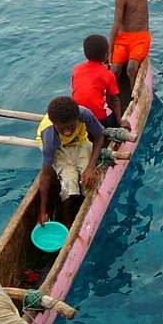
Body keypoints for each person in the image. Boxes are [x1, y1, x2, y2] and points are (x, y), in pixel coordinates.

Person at [35, 95, 105, 226]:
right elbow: (45, 174)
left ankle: (85, 207)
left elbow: (99, 136)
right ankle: (67, 222)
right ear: (53, 122)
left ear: (77, 118)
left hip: (79, 141)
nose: (67, 132)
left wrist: (90, 168)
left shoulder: (84, 114)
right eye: (62, 128)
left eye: (71, 126)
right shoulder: (49, 137)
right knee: (69, 183)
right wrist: (43, 211)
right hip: (58, 147)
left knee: (89, 180)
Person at [108, 0, 163, 89]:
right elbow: (116, 25)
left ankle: (134, 94)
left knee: (132, 68)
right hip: (123, 38)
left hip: (141, 38)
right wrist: (110, 50)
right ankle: (111, 93)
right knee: (114, 69)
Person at [71, 34, 126, 130]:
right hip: (102, 119)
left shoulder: (76, 69)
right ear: (106, 55)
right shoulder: (108, 74)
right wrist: (120, 121)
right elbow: (115, 100)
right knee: (111, 115)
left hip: (79, 115)